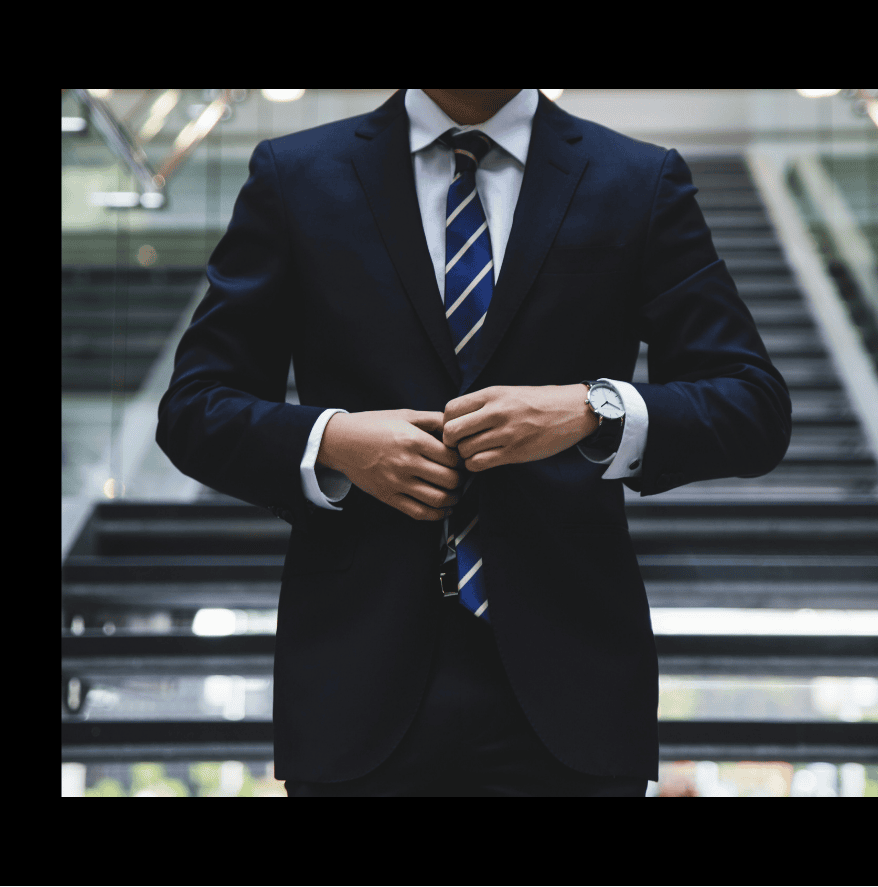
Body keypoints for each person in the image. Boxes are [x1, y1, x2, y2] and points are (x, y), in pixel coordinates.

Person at [156, 89, 791, 796]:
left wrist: (592, 408)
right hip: (355, 680)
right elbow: (193, 408)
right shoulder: (296, 174)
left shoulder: (636, 179)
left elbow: (751, 405)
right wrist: (332, 440)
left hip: (572, 690)